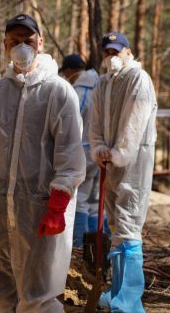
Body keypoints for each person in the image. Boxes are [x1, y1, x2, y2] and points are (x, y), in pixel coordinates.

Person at [0, 14, 86, 312]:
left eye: (28, 41)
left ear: (40, 43)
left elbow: (70, 153)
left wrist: (58, 204)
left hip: (39, 206)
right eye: (15, 41)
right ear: (5, 45)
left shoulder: (58, 92)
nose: (22, 47)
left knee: (38, 292)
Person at [89, 32, 157, 312]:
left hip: (133, 163)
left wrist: (118, 154)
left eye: (117, 51)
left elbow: (134, 123)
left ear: (129, 51)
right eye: (107, 52)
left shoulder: (138, 79)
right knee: (115, 225)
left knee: (129, 228)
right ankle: (116, 292)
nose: (112, 56)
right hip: (111, 164)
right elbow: (94, 122)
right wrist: (99, 148)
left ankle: (128, 302)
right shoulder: (103, 83)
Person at [60, 54, 109, 249]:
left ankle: (80, 247)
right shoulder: (101, 85)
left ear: (70, 71)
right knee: (95, 202)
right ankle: (99, 247)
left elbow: (71, 120)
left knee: (79, 200)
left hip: (83, 151)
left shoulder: (80, 91)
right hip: (101, 151)